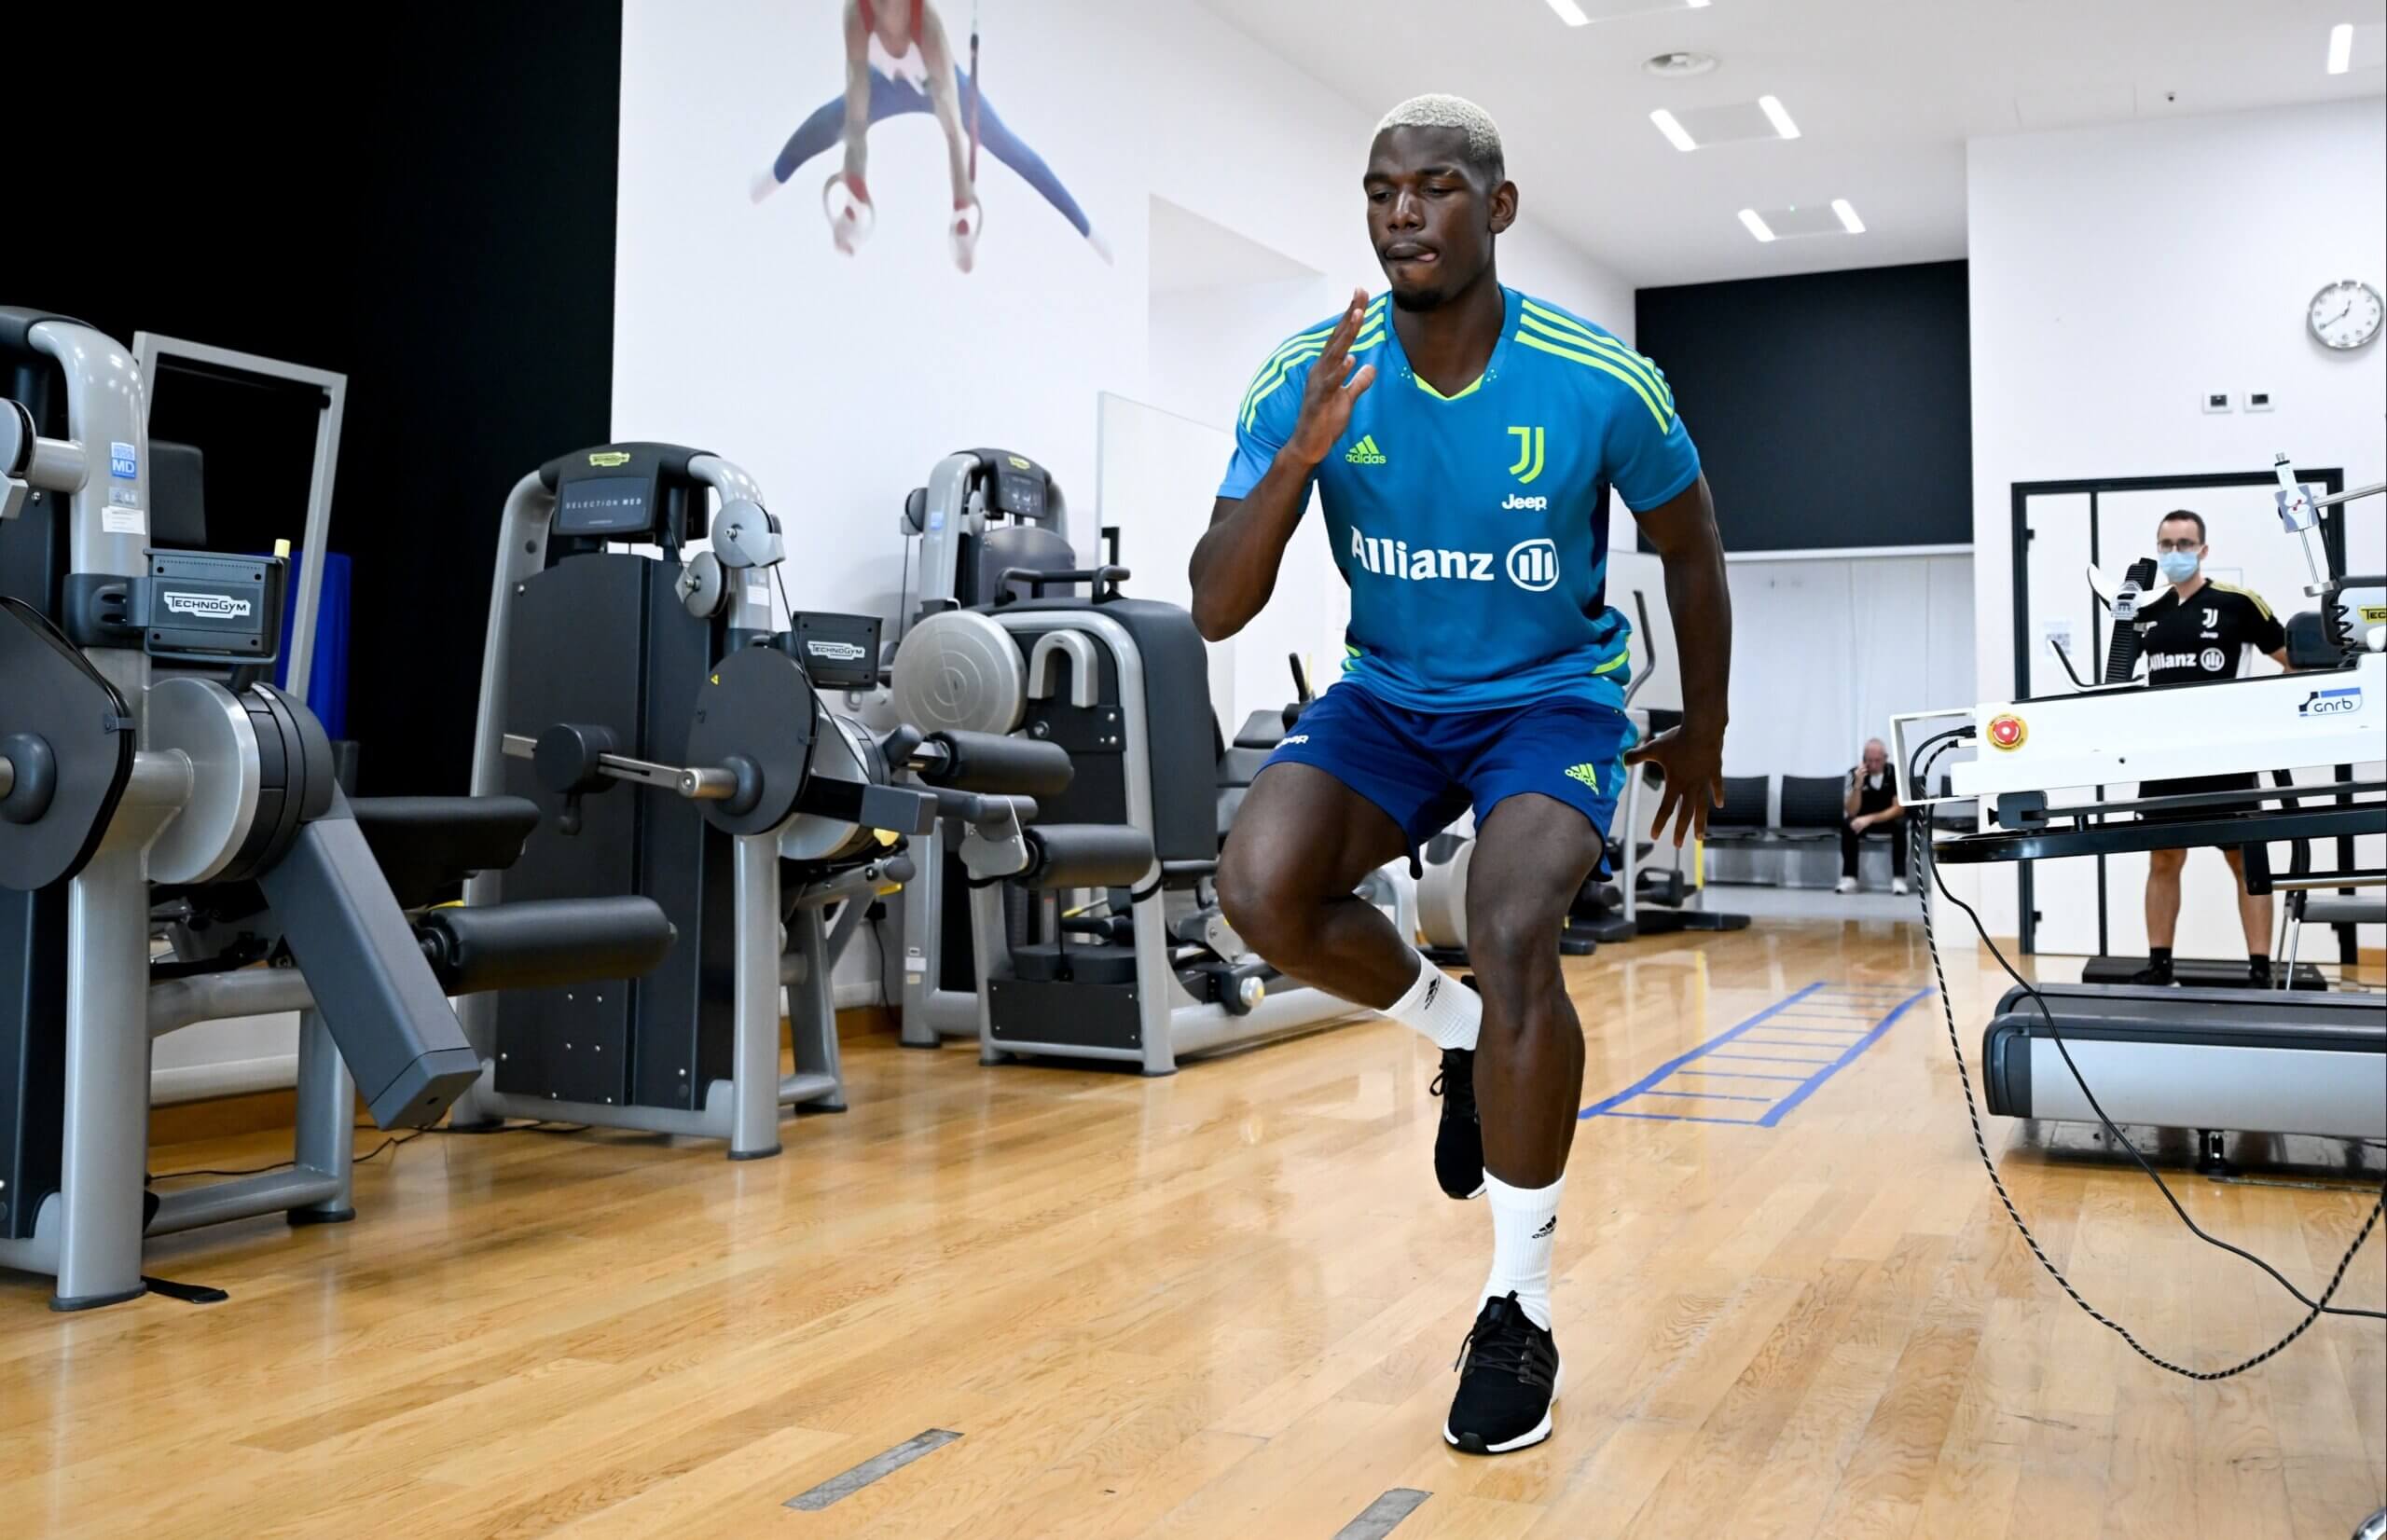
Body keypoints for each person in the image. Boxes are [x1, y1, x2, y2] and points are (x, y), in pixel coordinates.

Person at [1189, 95, 1732, 1456]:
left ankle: (1518, 1307)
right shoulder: (1309, 373)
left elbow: (1692, 545)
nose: (1401, 214)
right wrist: (1301, 456)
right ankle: (1453, 1035)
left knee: (1511, 922)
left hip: (1549, 700)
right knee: (1259, 889)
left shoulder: (1598, 378)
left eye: (1433, 187)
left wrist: (1705, 726)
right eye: (1382, 191)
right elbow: (1214, 605)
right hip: (1389, 695)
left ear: (1496, 207)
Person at [750, 0, 1111, 271]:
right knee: (829, 123)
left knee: (1008, 147)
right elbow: (856, 121)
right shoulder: (856, 14)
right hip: (883, 89)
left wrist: (962, 204)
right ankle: (771, 179)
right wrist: (854, 190)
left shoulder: (928, 25)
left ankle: (1088, 230)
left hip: (942, 89)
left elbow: (953, 133)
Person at [2130, 510, 2291, 985]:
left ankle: (2260, 969)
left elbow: (2293, 660)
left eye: (2184, 543)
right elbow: (2123, 678)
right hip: (2165, 760)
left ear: (2203, 549)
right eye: (2166, 544)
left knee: (2244, 860)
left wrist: (2271, 718)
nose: (2175, 552)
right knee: (2163, 858)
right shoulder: (2145, 611)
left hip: (2226, 759)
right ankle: (2159, 965)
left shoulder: (2239, 603)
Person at [1838, 738, 1909, 896]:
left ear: (1885, 758)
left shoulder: (1895, 773)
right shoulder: (1853, 774)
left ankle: (1899, 878)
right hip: (1861, 821)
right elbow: (1852, 811)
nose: (1874, 765)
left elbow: (1899, 809)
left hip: (1886, 819)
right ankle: (1849, 877)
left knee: (1901, 824)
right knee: (1847, 824)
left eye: (1878, 760)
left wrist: (1869, 819)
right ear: (1864, 759)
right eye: (1869, 761)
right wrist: (1858, 785)